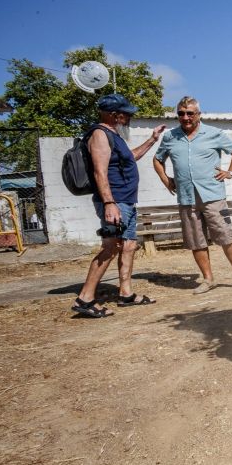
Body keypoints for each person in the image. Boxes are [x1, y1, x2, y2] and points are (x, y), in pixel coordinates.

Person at [71, 94, 162, 318]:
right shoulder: (100, 135)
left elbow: (131, 157)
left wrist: (152, 139)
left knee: (129, 245)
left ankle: (125, 293)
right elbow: (99, 172)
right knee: (110, 247)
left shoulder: (114, 135)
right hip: (115, 202)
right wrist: (110, 203)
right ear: (114, 114)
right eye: (126, 113)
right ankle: (85, 299)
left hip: (127, 201)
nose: (129, 116)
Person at [153, 96, 232, 294]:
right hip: (186, 198)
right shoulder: (170, 137)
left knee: (226, 236)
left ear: (198, 114)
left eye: (190, 113)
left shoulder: (213, 133)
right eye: (181, 113)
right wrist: (165, 179)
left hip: (213, 195)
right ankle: (208, 279)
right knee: (196, 240)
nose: (185, 117)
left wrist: (230, 172)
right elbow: (157, 159)